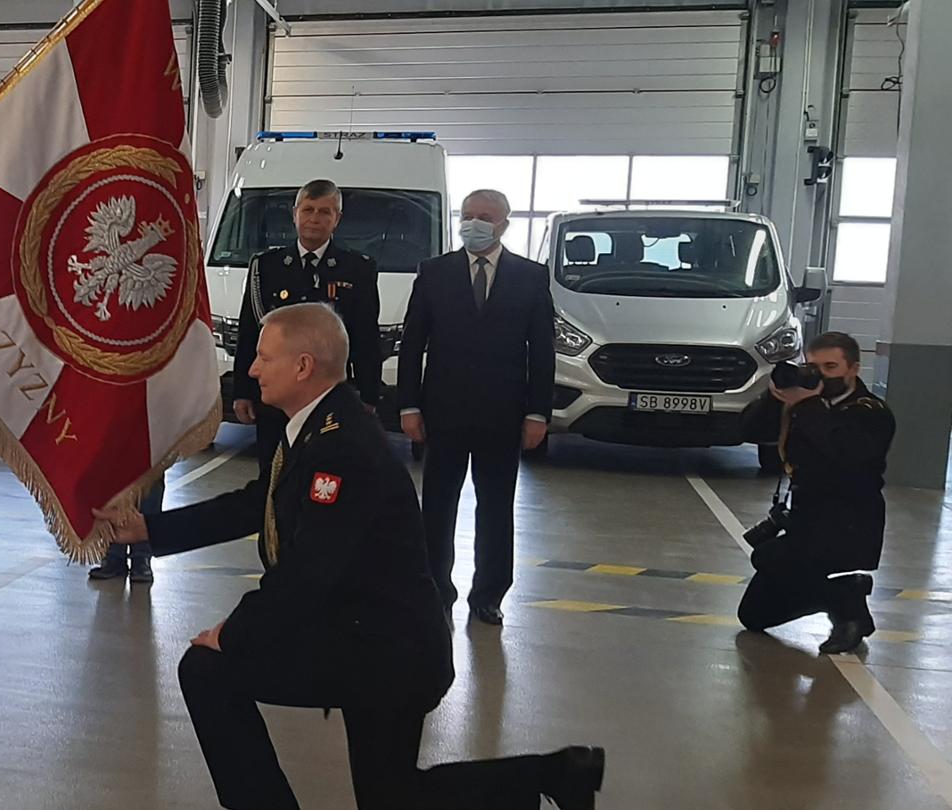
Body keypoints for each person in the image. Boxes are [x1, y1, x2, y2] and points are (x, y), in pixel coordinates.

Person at [95, 303, 604, 810]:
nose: (249, 369)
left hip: (387, 654)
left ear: (302, 367)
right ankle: (556, 774)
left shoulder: (340, 449)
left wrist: (232, 632)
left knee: (209, 668)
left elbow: (308, 573)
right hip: (364, 635)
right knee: (394, 796)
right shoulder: (318, 424)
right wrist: (147, 529)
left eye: (263, 358)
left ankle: (549, 775)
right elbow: (260, 502)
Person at [397, 189, 554, 626]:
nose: (474, 223)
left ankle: (488, 595)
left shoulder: (530, 276)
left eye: (484, 217)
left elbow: (542, 351)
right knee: (438, 507)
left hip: (504, 416)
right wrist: (408, 405)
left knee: (497, 508)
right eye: (467, 215)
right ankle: (435, 589)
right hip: (442, 413)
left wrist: (538, 413)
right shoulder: (434, 272)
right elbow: (412, 346)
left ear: (504, 224)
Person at [737, 332, 895, 654]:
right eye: (812, 366)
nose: (820, 374)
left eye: (831, 366)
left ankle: (846, 604)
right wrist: (775, 398)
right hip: (806, 519)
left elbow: (844, 452)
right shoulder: (804, 404)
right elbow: (748, 431)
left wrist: (807, 405)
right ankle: (843, 592)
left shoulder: (871, 412)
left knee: (767, 556)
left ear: (853, 369)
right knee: (753, 615)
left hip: (850, 523)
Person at [231, 179, 382, 458]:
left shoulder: (358, 268)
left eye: (325, 212)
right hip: (277, 393)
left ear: (337, 219)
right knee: (272, 474)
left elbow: (366, 338)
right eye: (308, 210)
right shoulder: (265, 266)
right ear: (295, 213)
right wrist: (243, 391)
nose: (315, 219)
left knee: (324, 474)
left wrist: (368, 394)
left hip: (331, 395)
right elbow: (250, 332)